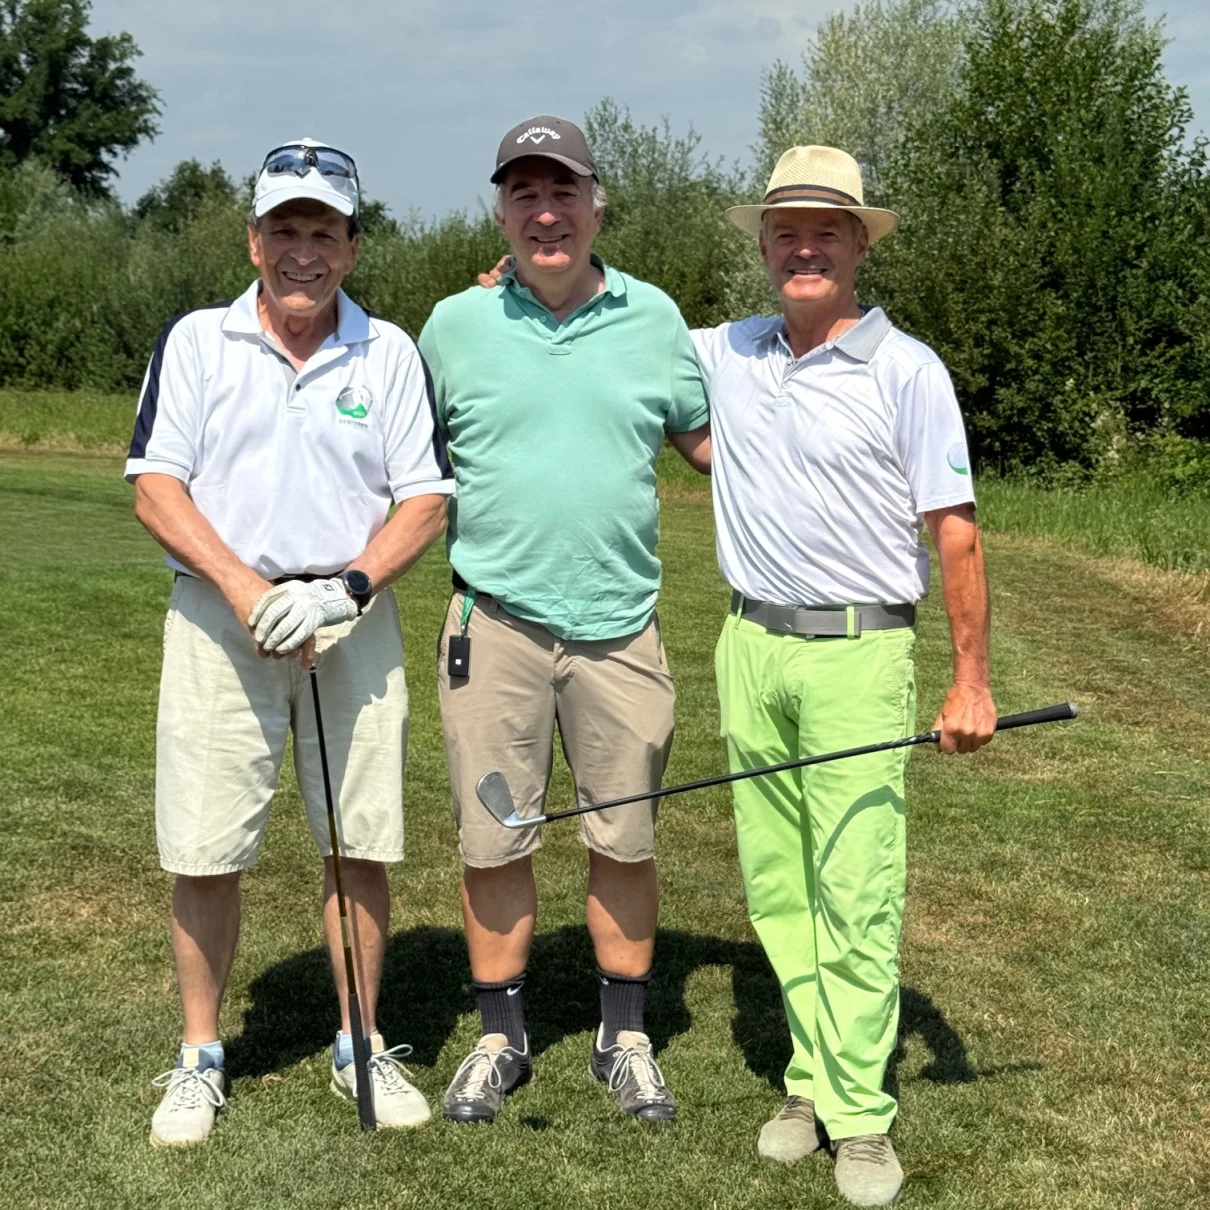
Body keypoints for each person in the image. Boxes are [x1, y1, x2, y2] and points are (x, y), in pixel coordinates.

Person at [127, 138, 453, 1146]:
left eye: (323, 231)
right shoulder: (198, 341)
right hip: (219, 618)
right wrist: (248, 591)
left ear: (352, 246)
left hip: (352, 618)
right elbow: (156, 486)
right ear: (254, 240)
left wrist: (341, 592)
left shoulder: (388, 352)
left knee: (360, 841)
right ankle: (199, 1055)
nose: (302, 250)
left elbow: (424, 500)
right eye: (284, 229)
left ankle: (360, 1041)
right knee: (204, 845)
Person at [690, 145, 998, 1206]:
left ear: (860, 244)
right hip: (750, 646)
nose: (805, 248)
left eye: (827, 230)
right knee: (780, 886)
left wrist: (970, 679)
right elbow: (611, 336)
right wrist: (526, 286)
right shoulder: (727, 349)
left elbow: (954, 530)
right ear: (764, 246)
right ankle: (809, 1079)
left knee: (855, 886)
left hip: (860, 654)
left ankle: (860, 1114)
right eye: (787, 230)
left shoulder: (907, 369)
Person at [419, 115, 710, 1126]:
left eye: (563, 191)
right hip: (492, 625)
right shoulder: (453, 325)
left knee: (623, 838)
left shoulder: (654, 318)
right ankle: (499, 1039)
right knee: (493, 840)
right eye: (525, 194)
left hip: (619, 629)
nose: (546, 213)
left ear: (597, 204)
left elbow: (713, 446)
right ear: (500, 213)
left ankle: (622, 1038)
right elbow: (398, 462)